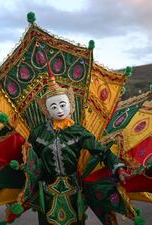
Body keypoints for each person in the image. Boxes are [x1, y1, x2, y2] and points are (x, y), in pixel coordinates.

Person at [21, 74, 129, 225]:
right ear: (46, 110)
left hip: (73, 190)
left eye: (62, 105)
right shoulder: (38, 133)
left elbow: (101, 151)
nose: (59, 110)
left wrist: (118, 168)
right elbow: (29, 158)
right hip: (46, 192)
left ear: (70, 105)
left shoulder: (78, 132)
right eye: (53, 106)